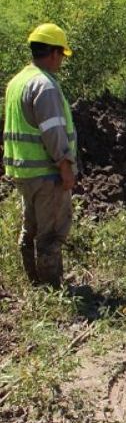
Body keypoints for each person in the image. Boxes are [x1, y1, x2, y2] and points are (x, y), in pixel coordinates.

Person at [3, 23, 77, 287]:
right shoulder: (44, 85)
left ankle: (34, 283)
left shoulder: (17, 82)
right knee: (51, 234)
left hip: (24, 171)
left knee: (30, 229)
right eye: (61, 55)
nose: (61, 62)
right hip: (47, 173)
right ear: (55, 53)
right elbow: (52, 129)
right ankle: (52, 288)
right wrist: (65, 166)